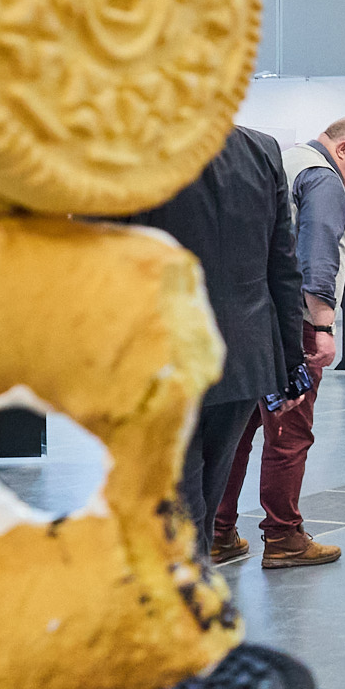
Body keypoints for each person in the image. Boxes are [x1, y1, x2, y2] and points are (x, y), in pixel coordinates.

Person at [212, 116, 345, 571]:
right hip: (296, 325)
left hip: (251, 318)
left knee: (238, 430)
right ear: (343, 148)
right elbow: (316, 254)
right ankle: (284, 536)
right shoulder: (323, 179)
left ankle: (217, 530)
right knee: (289, 430)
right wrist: (322, 328)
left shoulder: (282, 161)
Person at [130, 124, 301, 554]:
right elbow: (283, 263)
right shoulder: (262, 149)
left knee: (176, 497)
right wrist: (290, 360)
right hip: (244, 354)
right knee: (205, 491)